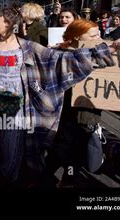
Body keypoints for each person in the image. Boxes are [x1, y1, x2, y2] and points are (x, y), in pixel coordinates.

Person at [0, 7, 120, 184]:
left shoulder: (28, 48)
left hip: (16, 111)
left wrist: (112, 47)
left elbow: (64, 59)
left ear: (9, 23)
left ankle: (9, 181)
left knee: (11, 151)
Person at [45, 19, 104, 187]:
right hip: (67, 111)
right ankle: (44, 176)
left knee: (79, 147)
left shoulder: (100, 51)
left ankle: (68, 179)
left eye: (99, 33)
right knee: (61, 147)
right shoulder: (63, 54)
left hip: (90, 111)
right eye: (93, 34)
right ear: (79, 36)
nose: (98, 37)